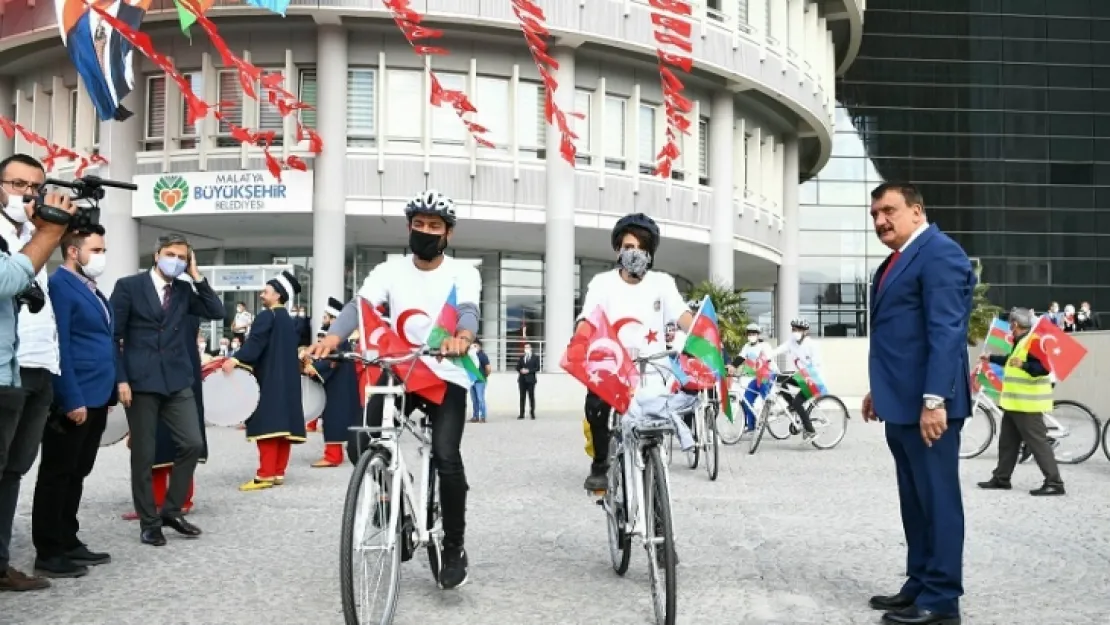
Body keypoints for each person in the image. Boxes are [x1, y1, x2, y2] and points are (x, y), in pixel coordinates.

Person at [308, 189, 479, 591]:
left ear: (447, 234)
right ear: (409, 227)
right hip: (398, 370)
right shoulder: (389, 270)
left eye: (433, 226)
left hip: (445, 372)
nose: (424, 231)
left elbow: (468, 310)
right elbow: (358, 308)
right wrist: (333, 339)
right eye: (418, 224)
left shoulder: (462, 272)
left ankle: (453, 545)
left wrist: (463, 336)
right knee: (362, 444)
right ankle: (394, 513)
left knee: (446, 455)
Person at [862, 182, 973, 625]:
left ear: (916, 210)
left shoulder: (940, 253)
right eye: (874, 215)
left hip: (930, 408)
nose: (880, 221)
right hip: (901, 404)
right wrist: (879, 390)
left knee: (938, 500)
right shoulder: (897, 261)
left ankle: (943, 598)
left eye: (888, 210)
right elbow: (899, 337)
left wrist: (934, 401)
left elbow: (946, 333)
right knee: (915, 502)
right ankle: (920, 581)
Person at [111, 233, 223, 547]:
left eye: (182, 257)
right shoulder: (128, 287)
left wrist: (197, 275)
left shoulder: (186, 289)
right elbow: (113, 336)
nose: (176, 260)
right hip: (140, 382)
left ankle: (171, 510)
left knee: (192, 443)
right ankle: (149, 522)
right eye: (171, 254)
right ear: (157, 254)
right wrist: (120, 379)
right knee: (144, 455)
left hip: (177, 380)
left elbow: (217, 311)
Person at [572, 213, 693, 493]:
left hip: (652, 373)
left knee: (654, 433)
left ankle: (656, 498)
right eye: (628, 247)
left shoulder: (663, 283)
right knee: (597, 407)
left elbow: (683, 315)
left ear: (650, 253)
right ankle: (601, 463)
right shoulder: (602, 283)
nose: (634, 253)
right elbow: (588, 318)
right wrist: (580, 340)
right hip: (611, 369)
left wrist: (703, 331)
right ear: (618, 249)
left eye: (641, 247)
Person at [0, 154, 77, 592]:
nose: (27, 195)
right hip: (10, 369)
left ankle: (1, 561)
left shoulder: (32, 231)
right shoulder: (20, 236)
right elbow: (9, 281)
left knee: (13, 471)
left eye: (35, 187)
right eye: (16, 184)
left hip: (32, 365)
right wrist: (48, 232)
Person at [31, 225, 113, 578]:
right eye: (95, 250)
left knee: (78, 471)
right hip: (76, 395)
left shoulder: (90, 289)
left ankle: (68, 538)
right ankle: (48, 550)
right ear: (73, 252)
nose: (101, 256)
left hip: (98, 394)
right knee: (57, 472)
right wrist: (70, 397)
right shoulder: (60, 287)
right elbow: (60, 343)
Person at [222, 271, 306, 490]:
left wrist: (236, 359)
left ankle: (265, 474)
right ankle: (278, 472)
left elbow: (255, 344)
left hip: (270, 378)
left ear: (277, 295)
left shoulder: (267, 316)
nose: (261, 294)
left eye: (265, 291)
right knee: (284, 427)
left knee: (267, 423)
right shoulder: (288, 320)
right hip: (288, 379)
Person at [976, 308, 1064, 496]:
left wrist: (1023, 365)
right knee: (1007, 443)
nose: (1009, 327)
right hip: (1014, 403)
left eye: (1010, 324)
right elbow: (1011, 361)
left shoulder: (1032, 341)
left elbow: (1043, 368)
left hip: (1027, 405)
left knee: (1038, 443)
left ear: (1015, 324)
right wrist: (991, 358)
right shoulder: (1022, 342)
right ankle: (1001, 478)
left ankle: (1054, 483)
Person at [306, 297, 356, 467]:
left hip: (337, 384)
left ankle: (333, 456)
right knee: (336, 418)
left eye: (326, 316)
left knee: (334, 418)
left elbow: (331, 361)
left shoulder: (338, 340)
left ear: (335, 319)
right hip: (339, 383)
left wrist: (314, 369)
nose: (323, 319)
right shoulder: (338, 339)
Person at [770, 318, 822, 440]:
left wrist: (808, 375)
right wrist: (765, 358)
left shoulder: (812, 345)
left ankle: (811, 431)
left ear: (805, 332)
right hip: (801, 376)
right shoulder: (791, 342)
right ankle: (792, 406)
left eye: (799, 330)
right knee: (780, 380)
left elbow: (817, 364)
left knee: (798, 402)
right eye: (794, 329)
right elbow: (777, 350)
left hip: (814, 378)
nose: (795, 332)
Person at [727, 323, 778, 433]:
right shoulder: (747, 346)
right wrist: (732, 366)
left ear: (758, 335)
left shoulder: (765, 345)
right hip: (757, 376)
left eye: (754, 333)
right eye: (749, 334)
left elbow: (768, 359)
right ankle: (751, 426)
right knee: (747, 399)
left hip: (768, 373)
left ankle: (770, 410)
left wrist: (760, 365)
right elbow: (740, 358)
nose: (751, 336)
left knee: (764, 386)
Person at [468, 340, 491, 423]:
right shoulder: (470, 355)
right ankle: (475, 416)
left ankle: (483, 416)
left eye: (475, 345)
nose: (472, 347)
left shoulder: (482, 356)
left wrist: (484, 376)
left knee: (480, 399)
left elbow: (488, 368)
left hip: (480, 380)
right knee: (474, 400)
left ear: (479, 346)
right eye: (472, 345)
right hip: (472, 380)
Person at [515, 343, 539, 420]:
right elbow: (517, 367)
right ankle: (521, 413)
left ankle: (532, 413)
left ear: (531, 348)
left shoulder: (535, 357)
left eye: (528, 347)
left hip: (531, 380)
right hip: (522, 380)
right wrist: (520, 370)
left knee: (531, 396)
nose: (526, 349)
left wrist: (528, 371)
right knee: (522, 397)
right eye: (525, 347)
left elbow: (537, 368)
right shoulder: (521, 357)